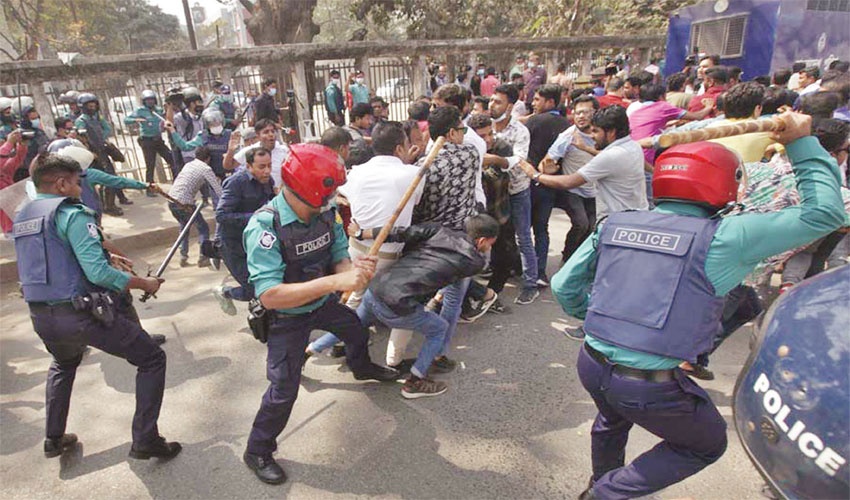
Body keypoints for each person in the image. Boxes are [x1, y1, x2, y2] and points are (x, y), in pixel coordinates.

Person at [553, 111, 845, 500]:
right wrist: (802, 143)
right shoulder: (728, 237)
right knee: (705, 443)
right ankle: (606, 493)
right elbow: (825, 213)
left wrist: (600, 318)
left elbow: (563, 285)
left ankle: (602, 482)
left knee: (611, 417)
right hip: (648, 386)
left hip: (591, 362)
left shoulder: (616, 223)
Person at [241, 143, 398, 485]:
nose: (335, 198)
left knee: (355, 329)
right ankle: (257, 449)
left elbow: (340, 255)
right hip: (286, 318)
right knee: (283, 390)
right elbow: (269, 295)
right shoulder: (265, 227)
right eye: (330, 191)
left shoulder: (325, 212)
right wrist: (337, 280)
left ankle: (361, 367)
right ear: (308, 189)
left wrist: (353, 271)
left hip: (321, 303)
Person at [13, 153, 181, 461]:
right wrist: (145, 284)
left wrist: (105, 255)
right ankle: (146, 439)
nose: (81, 188)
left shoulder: (24, 216)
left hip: (40, 315)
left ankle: (53, 438)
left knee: (63, 364)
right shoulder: (73, 214)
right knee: (152, 358)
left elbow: (54, 258)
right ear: (62, 184)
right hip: (79, 314)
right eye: (77, 183)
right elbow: (98, 274)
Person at [306, 121, 423, 370]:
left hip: (355, 247)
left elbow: (342, 193)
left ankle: (327, 344)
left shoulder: (355, 172)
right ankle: (395, 359)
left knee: (354, 299)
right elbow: (415, 198)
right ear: (400, 147)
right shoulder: (412, 175)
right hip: (386, 253)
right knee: (403, 302)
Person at [354, 214, 499, 398]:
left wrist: (361, 233)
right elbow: (450, 280)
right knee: (439, 328)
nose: (489, 248)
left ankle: (310, 350)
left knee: (353, 324)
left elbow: (399, 232)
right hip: (399, 302)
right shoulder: (474, 262)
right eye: (490, 244)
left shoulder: (437, 229)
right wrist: (436, 300)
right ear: (481, 241)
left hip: (377, 287)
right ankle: (414, 382)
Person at [488, 84, 539, 304]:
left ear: (510, 106)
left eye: (497, 101)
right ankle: (499, 272)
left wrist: (493, 159)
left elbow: (517, 161)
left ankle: (531, 284)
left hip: (516, 191)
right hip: (493, 193)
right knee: (496, 237)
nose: (492, 104)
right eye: (491, 100)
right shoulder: (486, 126)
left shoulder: (520, 131)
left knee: (523, 238)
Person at [213, 147, 275, 315]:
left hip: (255, 242)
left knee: (270, 284)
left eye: (269, 165)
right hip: (232, 244)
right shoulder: (236, 183)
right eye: (262, 167)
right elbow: (221, 215)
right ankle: (225, 292)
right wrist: (254, 216)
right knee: (252, 290)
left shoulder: (268, 181)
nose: (267, 171)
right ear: (248, 166)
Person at [540, 95, 599, 264]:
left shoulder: (601, 134)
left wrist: (586, 148)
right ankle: (567, 259)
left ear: (595, 113)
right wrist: (548, 167)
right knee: (581, 223)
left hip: (594, 190)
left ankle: (580, 260)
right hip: (572, 189)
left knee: (593, 227)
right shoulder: (568, 136)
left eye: (585, 112)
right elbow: (545, 162)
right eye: (577, 113)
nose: (581, 117)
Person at [526, 83, 570, 284]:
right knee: (541, 228)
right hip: (550, 184)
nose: (533, 103)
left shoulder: (533, 122)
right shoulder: (567, 126)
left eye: (537, 99)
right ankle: (540, 272)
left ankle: (527, 270)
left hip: (528, 181)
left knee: (523, 230)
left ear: (550, 101)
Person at [75, 93, 131, 215]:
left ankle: (120, 198)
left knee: (112, 175)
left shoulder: (97, 118)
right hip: (93, 154)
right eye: (89, 106)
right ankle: (108, 206)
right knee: (103, 179)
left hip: (103, 150)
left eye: (94, 105)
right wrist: (90, 151)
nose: (92, 108)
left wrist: (102, 139)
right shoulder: (81, 121)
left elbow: (107, 129)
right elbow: (81, 139)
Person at [167, 146, 221, 267]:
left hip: (171, 200)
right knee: (203, 228)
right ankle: (203, 257)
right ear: (208, 158)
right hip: (184, 203)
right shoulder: (206, 169)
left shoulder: (189, 165)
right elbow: (217, 189)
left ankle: (183, 255)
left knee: (184, 228)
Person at [124, 90, 173, 195]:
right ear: (144, 101)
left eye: (152, 100)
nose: (150, 102)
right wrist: (137, 119)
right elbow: (126, 120)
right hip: (147, 140)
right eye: (147, 100)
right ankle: (149, 189)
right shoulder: (140, 110)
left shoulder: (158, 110)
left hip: (158, 140)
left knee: (171, 159)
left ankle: (177, 184)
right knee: (150, 165)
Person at [167, 108, 232, 181]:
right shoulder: (202, 137)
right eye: (212, 124)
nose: (216, 125)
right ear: (207, 125)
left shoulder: (230, 135)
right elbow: (185, 146)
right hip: (210, 175)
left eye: (218, 123)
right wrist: (173, 131)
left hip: (229, 174)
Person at [226, 119, 290, 187]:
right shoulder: (250, 151)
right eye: (266, 132)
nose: (271, 134)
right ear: (258, 135)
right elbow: (228, 166)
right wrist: (230, 150)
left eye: (273, 131)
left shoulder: (284, 151)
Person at [166, 86, 205, 176]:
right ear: (191, 104)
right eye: (198, 102)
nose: (201, 104)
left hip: (203, 154)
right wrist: (170, 105)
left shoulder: (202, 116)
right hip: (189, 155)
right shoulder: (182, 117)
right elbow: (170, 122)